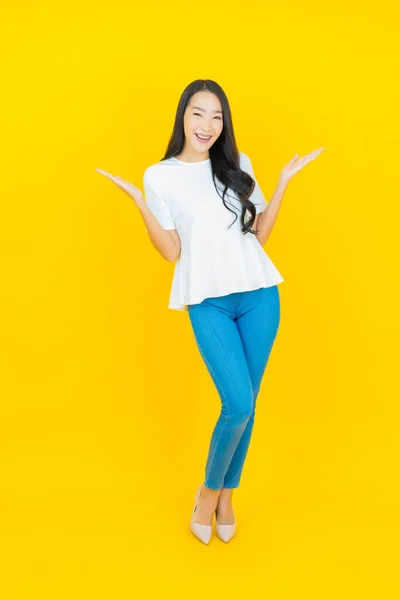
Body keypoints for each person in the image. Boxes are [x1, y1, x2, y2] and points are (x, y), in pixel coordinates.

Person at [96, 79, 324, 545]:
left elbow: (257, 236)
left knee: (249, 405)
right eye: (199, 113)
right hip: (208, 301)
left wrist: (280, 184)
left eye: (217, 116)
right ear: (183, 115)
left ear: (225, 123)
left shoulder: (238, 165)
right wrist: (140, 204)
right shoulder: (159, 176)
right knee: (236, 402)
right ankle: (207, 491)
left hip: (259, 294)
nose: (207, 125)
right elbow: (172, 251)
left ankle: (226, 495)